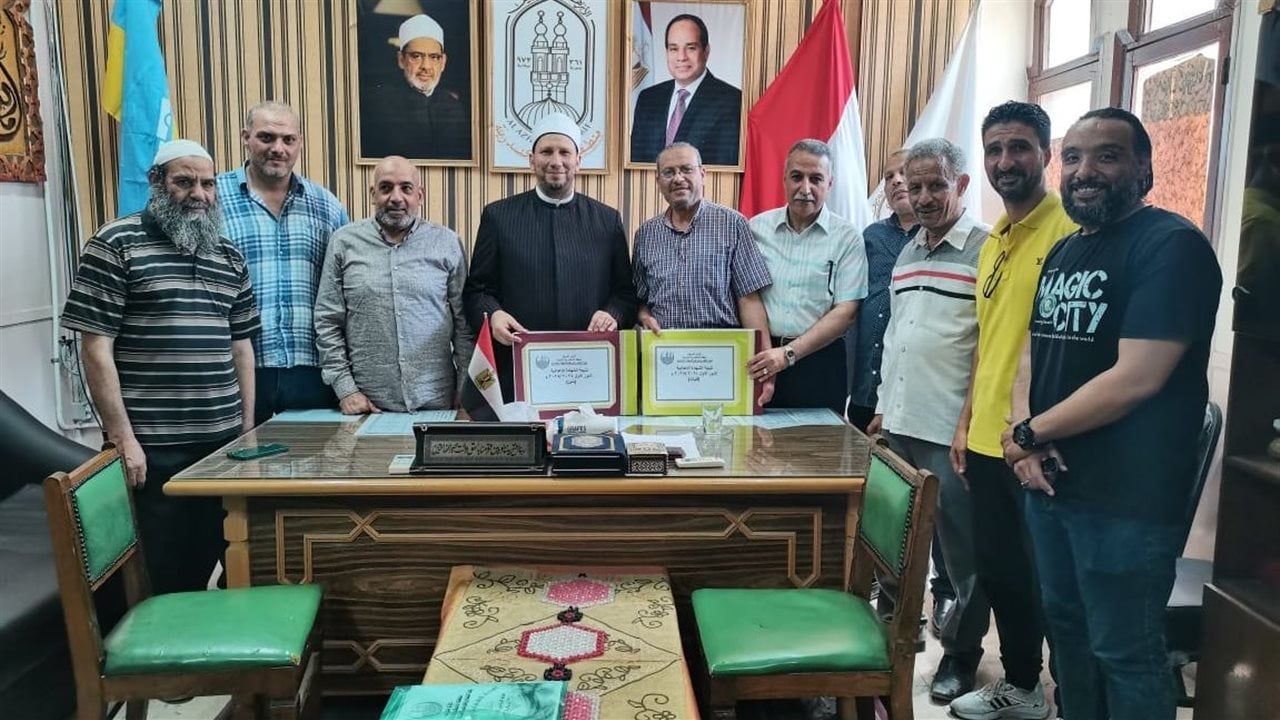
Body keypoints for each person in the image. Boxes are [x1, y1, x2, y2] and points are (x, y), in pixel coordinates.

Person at [1003, 108, 1221, 720]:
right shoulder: (1065, 251)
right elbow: (1030, 354)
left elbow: (1136, 379)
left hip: (1126, 501)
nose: (1084, 171)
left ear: (1143, 167)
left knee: (1125, 653)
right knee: (1069, 639)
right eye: (1073, 158)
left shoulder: (1172, 247)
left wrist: (1029, 433)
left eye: (1106, 156)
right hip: (1053, 489)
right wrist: (1025, 442)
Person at [61, 139, 258, 594]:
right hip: (152, 448)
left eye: (208, 184)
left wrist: (246, 429)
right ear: (156, 182)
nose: (199, 194)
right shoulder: (115, 243)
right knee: (163, 575)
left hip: (220, 447)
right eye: (184, 182)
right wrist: (122, 438)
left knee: (225, 558)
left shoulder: (228, 254)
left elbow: (242, 347)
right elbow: (96, 348)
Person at [947, 101, 1077, 720]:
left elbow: (1064, 349)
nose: (1006, 161)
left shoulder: (1069, 231)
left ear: (1046, 154)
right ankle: (1021, 685)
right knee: (1001, 573)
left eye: (1019, 147)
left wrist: (1034, 433)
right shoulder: (995, 237)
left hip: (1039, 441)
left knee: (1055, 582)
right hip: (986, 439)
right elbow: (988, 338)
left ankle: (1073, 696)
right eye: (994, 149)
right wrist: (965, 421)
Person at [866, 138, 995, 707]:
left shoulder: (986, 249)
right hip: (899, 422)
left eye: (935, 185)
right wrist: (880, 408)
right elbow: (897, 337)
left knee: (962, 557)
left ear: (961, 184)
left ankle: (961, 657)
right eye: (913, 186)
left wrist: (967, 425)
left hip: (951, 432)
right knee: (892, 542)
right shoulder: (908, 251)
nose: (922, 197)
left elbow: (990, 349)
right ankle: (894, 639)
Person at [463, 113, 637, 399]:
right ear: (532, 160)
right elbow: (477, 291)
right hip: (516, 369)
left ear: (578, 161)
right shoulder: (498, 217)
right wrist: (493, 315)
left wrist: (612, 314)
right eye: (546, 152)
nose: (556, 161)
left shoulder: (607, 220)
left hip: (589, 371)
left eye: (565, 152)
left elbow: (626, 294)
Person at [217, 101, 349, 425]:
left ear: (299, 143)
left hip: (312, 371)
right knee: (239, 457)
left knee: (316, 456)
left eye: (288, 139)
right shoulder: (212, 199)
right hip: (236, 369)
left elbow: (345, 289)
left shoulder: (327, 207)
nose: (278, 148)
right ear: (245, 138)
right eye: (266, 137)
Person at [314, 156, 473, 413]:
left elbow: (464, 325)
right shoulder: (343, 242)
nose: (396, 197)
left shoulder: (447, 242)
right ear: (373, 194)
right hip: (366, 403)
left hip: (437, 401)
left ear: (420, 195)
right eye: (386, 188)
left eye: (406, 188)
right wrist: (346, 389)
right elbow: (327, 321)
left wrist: (465, 389)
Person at [747, 139, 866, 416]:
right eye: (797, 177)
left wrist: (788, 354)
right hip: (763, 357)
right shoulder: (755, 229)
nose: (805, 188)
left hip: (820, 361)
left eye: (816, 179)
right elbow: (748, 296)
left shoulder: (848, 238)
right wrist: (771, 355)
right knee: (757, 441)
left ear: (830, 184)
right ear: (784, 179)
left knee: (820, 440)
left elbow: (847, 310)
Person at [847, 149, 917, 431]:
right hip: (866, 383)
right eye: (889, 177)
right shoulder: (872, 236)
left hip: (909, 391)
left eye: (904, 172)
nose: (896, 181)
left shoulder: (935, 237)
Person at [630, 13, 742, 166]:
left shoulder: (732, 101)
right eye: (674, 49)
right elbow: (635, 161)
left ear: (706, 51)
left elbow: (725, 166)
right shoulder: (648, 98)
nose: (681, 57)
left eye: (691, 48)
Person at [361, 13, 470, 160]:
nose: (426, 66)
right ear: (401, 60)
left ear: (443, 62)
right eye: (416, 56)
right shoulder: (377, 106)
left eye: (434, 57)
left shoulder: (454, 107)